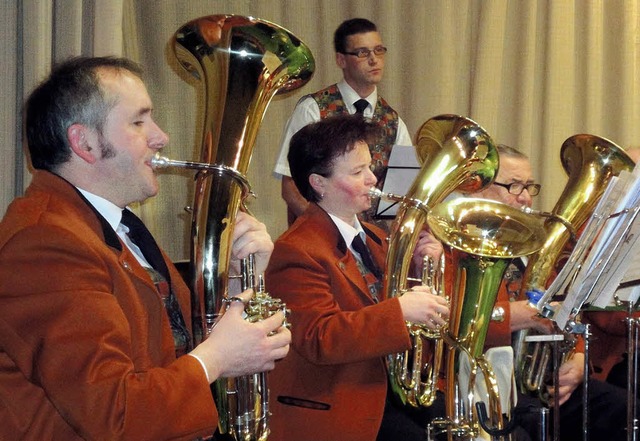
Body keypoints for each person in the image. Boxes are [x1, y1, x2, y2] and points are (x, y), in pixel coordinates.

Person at [0, 56, 291, 440]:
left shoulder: (114, 225)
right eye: (139, 121)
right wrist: (217, 358)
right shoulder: (45, 242)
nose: (161, 137)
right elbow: (113, 412)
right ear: (84, 142)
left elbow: (172, 345)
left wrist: (238, 284)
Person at [265, 115, 450, 441]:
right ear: (318, 183)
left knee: (469, 423)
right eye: (357, 172)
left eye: (370, 167)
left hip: (389, 390)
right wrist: (401, 311)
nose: (373, 179)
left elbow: (399, 308)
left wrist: (422, 271)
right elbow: (320, 338)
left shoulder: (377, 238)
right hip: (340, 401)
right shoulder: (295, 251)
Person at [474, 144, 628, 441]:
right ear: (478, 189)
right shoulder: (456, 247)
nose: (525, 197)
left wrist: (580, 359)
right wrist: (513, 316)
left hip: (542, 383)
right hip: (488, 385)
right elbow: (453, 321)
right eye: (513, 185)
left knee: (623, 409)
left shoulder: (534, 248)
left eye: (529, 186)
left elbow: (567, 311)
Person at [273, 17, 413, 229]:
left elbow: (401, 196)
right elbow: (290, 188)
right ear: (341, 60)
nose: (374, 60)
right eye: (363, 53)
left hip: (374, 248)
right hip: (320, 244)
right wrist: (337, 233)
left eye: (378, 50)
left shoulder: (396, 122)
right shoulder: (312, 108)